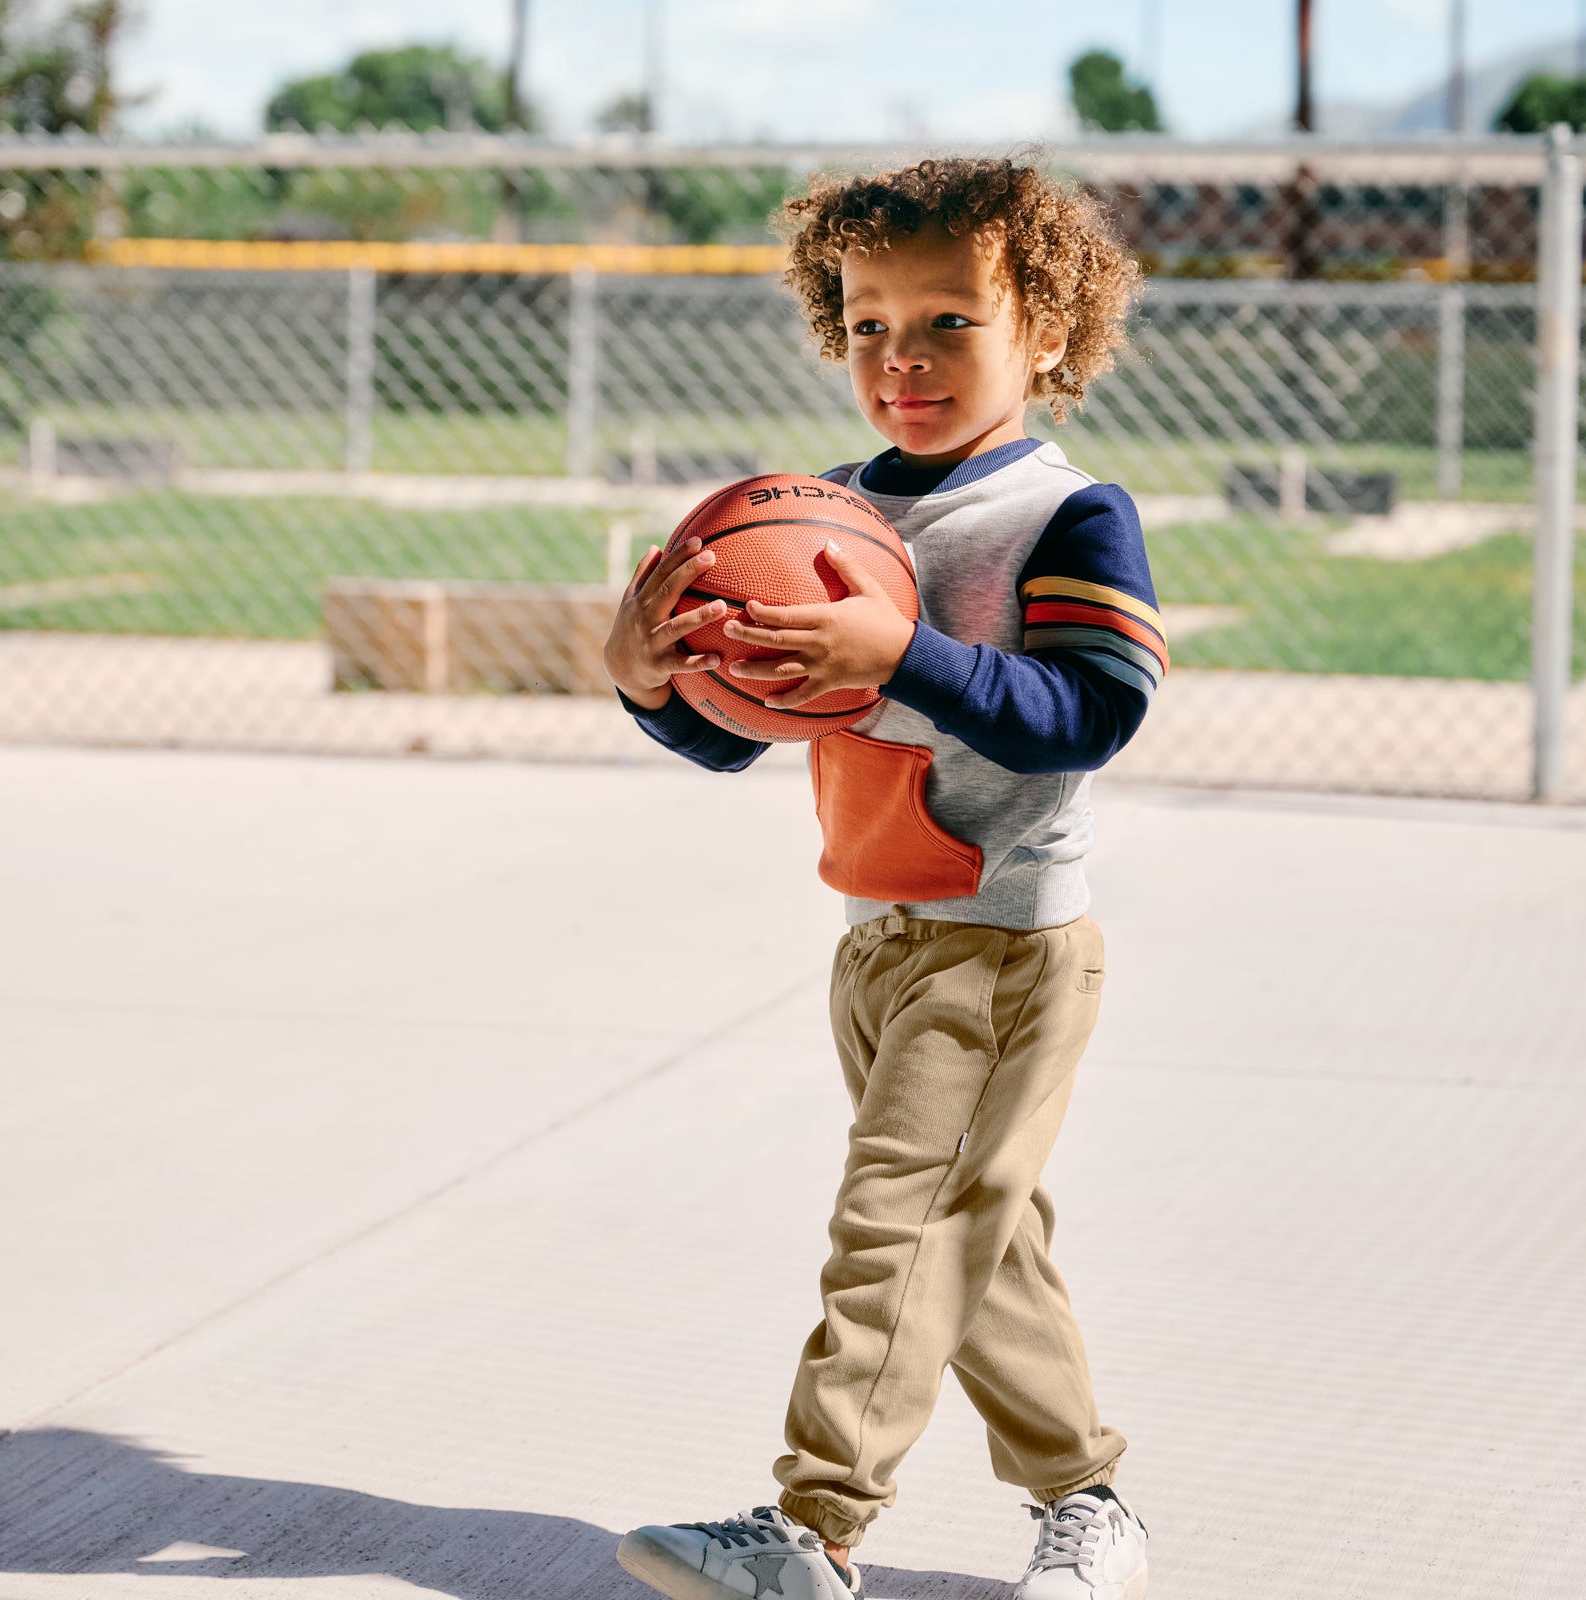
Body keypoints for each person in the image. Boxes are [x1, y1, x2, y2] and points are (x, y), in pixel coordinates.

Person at [603, 155, 1163, 1600]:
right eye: (866, 326)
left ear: (1043, 327)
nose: (899, 359)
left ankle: (816, 1530)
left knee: (896, 1229)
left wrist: (904, 655)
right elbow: (737, 742)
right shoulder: (818, 516)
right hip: (877, 940)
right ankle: (1091, 1503)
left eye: (947, 323)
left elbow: (1091, 717)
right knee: (976, 1247)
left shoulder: (1067, 516)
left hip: (1004, 946)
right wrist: (653, 684)